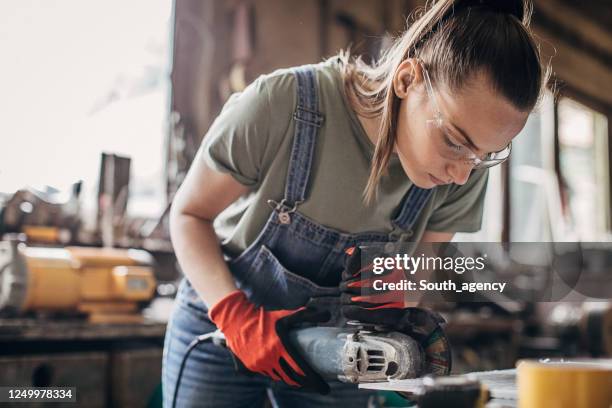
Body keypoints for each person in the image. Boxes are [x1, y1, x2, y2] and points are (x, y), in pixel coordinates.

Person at [162, 0, 550, 406]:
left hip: (339, 345)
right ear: (407, 80)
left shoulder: (465, 169)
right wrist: (234, 315)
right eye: (454, 141)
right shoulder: (284, 105)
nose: (462, 174)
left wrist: (394, 312)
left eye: (486, 155)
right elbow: (189, 215)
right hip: (223, 319)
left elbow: (417, 268)